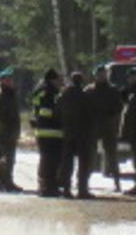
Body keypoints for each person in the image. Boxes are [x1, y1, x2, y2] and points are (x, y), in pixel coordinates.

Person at [29, 69, 66, 197]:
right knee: (49, 160)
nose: (60, 81)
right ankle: (46, 187)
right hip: (49, 130)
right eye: (57, 79)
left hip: (48, 131)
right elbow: (45, 112)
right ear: (52, 80)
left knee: (51, 160)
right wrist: (60, 116)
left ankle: (50, 186)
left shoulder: (41, 91)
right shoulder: (48, 92)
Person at [60, 71, 95, 199]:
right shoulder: (86, 96)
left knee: (67, 163)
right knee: (83, 162)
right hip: (82, 133)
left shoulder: (63, 95)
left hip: (68, 133)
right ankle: (82, 189)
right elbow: (91, 115)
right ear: (81, 81)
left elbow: (58, 112)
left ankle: (66, 189)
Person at [89, 66, 124, 193]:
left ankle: (117, 183)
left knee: (112, 156)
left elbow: (119, 107)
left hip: (109, 127)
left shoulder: (113, 90)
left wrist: (110, 115)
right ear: (95, 75)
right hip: (92, 126)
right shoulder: (89, 90)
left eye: (103, 74)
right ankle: (83, 181)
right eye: (99, 74)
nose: (101, 76)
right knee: (88, 154)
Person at [0, 69, 23, 192]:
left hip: (13, 130)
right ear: (2, 81)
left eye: (11, 79)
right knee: (6, 158)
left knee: (10, 158)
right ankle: (2, 180)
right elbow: (1, 115)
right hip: (5, 131)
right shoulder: (0, 95)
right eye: (7, 79)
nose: (10, 81)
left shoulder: (11, 94)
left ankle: (4, 179)